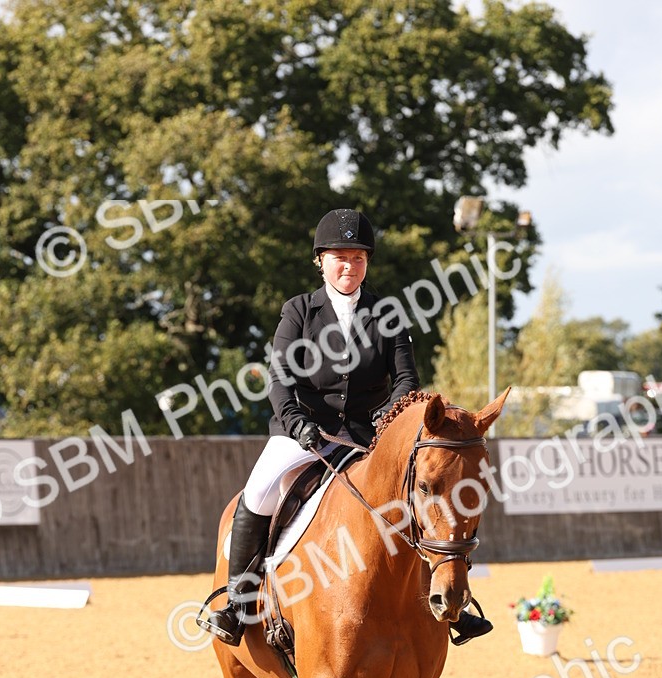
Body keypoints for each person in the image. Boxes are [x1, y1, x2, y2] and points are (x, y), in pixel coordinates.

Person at [198, 207, 492, 647]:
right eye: (339, 257)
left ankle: (453, 606)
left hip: (368, 437)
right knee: (258, 491)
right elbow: (281, 378)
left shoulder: (387, 313)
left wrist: (384, 421)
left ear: (367, 262)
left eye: (358, 258)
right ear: (321, 260)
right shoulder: (298, 311)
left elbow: (407, 382)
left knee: (424, 492)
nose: (349, 267)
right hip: (304, 434)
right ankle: (236, 605)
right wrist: (297, 424)